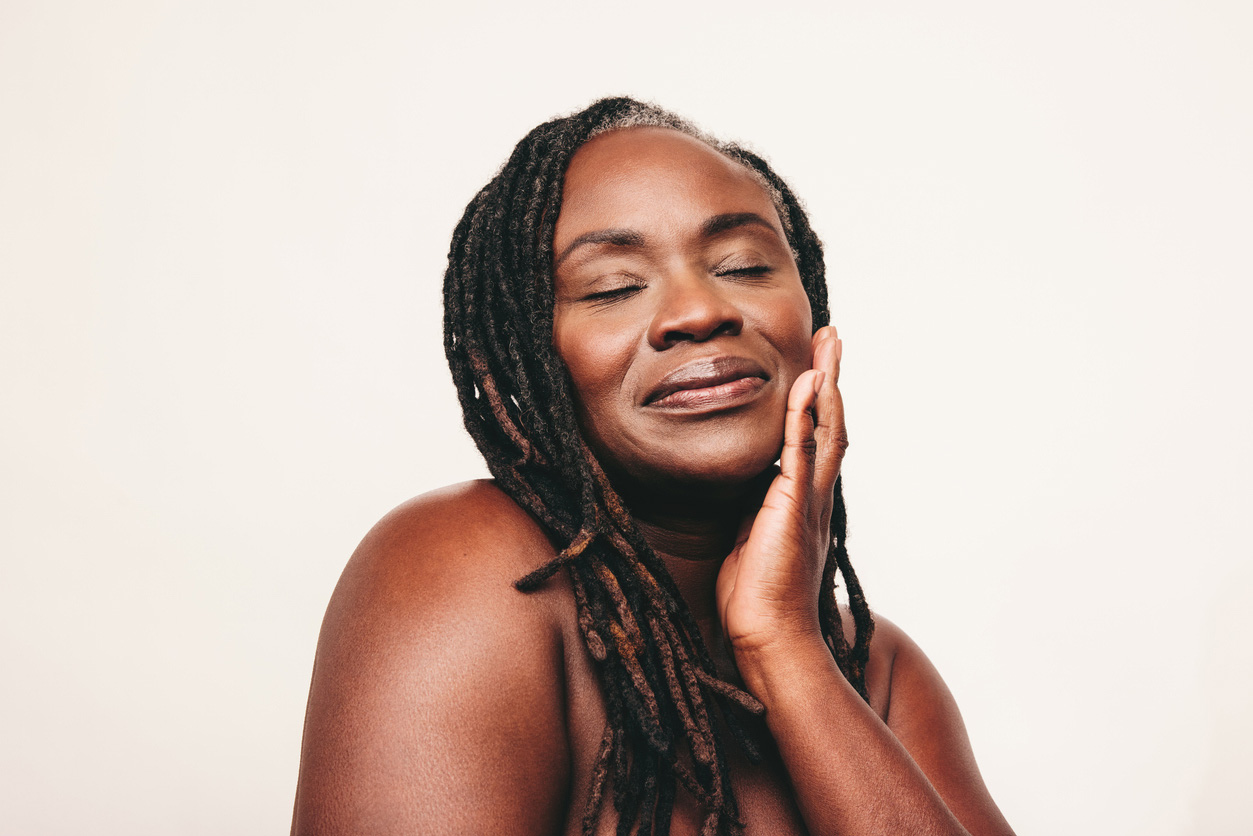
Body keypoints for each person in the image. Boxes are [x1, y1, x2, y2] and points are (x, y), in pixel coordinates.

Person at [291, 97, 1016, 836]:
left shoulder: (874, 671)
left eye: (744, 266)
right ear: (527, 360)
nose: (700, 311)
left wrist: (785, 649)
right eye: (613, 287)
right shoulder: (467, 565)